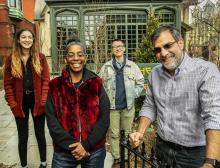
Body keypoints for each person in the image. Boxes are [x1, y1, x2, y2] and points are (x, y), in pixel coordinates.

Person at [129, 25, 220, 168]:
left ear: (180, 43)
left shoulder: (205, 71)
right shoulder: (155, 73)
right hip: (161, 147)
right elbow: (150, 105)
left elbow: (214, 116)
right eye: (158, 50)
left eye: (167, 46)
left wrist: (211, 161)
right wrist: (139, 132)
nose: (163, 53)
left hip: (193, 154)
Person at [45, 37, 110, 168]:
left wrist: (86, 145)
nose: (76, 58)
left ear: (85, 58)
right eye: (71, 55)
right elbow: (52, 121)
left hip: (94, 150)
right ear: (65, 59)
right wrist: (74, 147)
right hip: (64, 152)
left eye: (80, 54)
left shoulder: (96, 83)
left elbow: (104, 117)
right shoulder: (55, 86)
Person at [4, 28, 50, 168]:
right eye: (23, 37)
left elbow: (46, 81)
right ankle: (24, 165)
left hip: (37, 103)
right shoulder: (11, 59)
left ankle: (43, 162)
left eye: (29, 37)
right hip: (20, 103)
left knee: (40, 134)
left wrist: (43, 101)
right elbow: (8, 84)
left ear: (33, 40)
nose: (27, 40)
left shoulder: (40, 58)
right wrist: (12, 104)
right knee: (22, 136)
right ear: (18, 39)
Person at [99, 38, 144, 164]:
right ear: (112, 50)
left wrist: (133, 94)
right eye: (114, 47)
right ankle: (116, 157)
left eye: (120, 46)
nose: (117, 48)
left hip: (128, 107)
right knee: (114, 134)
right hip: (112, 107)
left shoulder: (132, 66)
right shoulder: (106, 67)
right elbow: (99, 85)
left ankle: (125, 156)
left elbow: (140, 83)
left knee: (127, 133)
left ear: (124, 49)